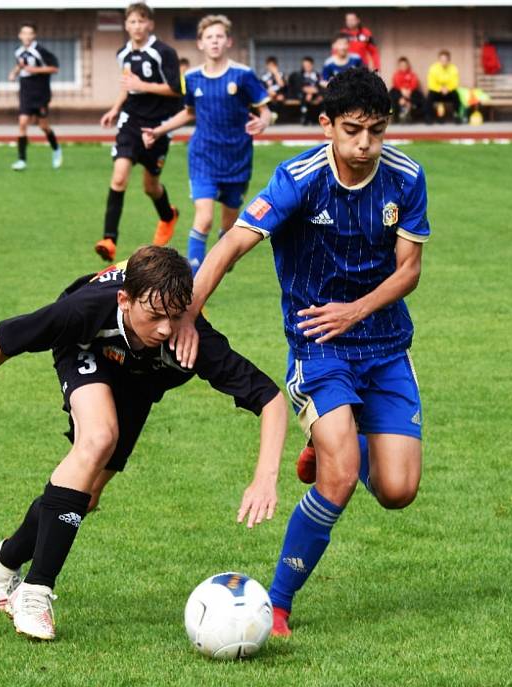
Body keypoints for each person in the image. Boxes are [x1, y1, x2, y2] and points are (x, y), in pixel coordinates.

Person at [0, 246, 288, 641]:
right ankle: (35, 593)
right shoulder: (84, 311)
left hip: (139, 380)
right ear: (125, 299)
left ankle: (4, 561)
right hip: (85, 348)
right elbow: (6, 340)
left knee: (85, 498)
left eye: (175, 316)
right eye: (154, 316)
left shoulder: (189, 338)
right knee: (98, 437)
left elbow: (271, 399)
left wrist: (265, 477)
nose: (164, 329)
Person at [171, 67, 429, 638]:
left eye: (377, 131)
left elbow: (409, 270)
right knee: (338, 480)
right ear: (327, 125)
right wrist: (189, 314)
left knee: (398, 492)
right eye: (353, 130)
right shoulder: (298, 178)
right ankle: (280, 606)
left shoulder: (407, 177)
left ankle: (341, 440)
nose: (366, 145)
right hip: (318, 345)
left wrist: (355, 310)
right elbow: (230, 245)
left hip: (386, 347)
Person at [141, 15, 271, 273]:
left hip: (237, 158)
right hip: (203, 156)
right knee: (204, 218)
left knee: (229, 227)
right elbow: (189, 112)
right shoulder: (191, 78)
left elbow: (265, 110)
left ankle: (224, 254)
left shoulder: (243, 75)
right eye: (209, 37)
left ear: (229, 41)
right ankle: (191, 284)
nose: (214, 41)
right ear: (200, 43)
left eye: (219, 36)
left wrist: (264, 121)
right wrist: (159, 130)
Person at [95, 3, 182, 262]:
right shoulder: (123, 53)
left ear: (150, 24)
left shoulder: (164, 52)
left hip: (159, 126)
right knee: (119, 177)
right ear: (126, 25)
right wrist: (115, 108)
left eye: (141, 21)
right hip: (131, 121)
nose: (137, 27)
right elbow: (127, 85)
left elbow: (176, 89)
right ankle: (109, 240)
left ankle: (168, 216)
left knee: (150, 186)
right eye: (132, 22)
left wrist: (141, 85)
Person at [8, 23, 63, 172]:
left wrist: (35, 70)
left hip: (40, 91)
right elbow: (21, 65)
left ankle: (56, 149)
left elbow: (55, 68)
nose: (26, 36)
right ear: (20, 35)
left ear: (34, 36)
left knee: (43, 126)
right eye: (24, 33)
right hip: (25, 90)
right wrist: (14, 73)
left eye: (30, 33)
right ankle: (21, 160)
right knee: (23, 122)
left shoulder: (40, 51)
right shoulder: (18, 51)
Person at [425, 50, 461, 124]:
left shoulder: (454, 68)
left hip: (449, 92)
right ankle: (429, 117)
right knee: (429, 96)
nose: (443, 62)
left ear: (449, 60)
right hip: (437, 92)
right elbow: (431, 83)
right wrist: (440, 88)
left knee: (456, 95)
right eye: (441, 60)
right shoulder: (433, 68)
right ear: (439, 60)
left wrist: (447, 88)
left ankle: (456, 115)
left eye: (445, 60)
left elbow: (455, 82)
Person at [389, 56, 425, 123]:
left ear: (408, 65)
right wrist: (401, 95)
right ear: (399, 66)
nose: (403, 66)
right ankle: (393, 117)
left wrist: (410, 91)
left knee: (420, 97)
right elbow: (395, 83)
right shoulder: (396, 74)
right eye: (401, 65)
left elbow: (415, 83)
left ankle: (412, 111)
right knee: (391, 93)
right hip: (399, 92)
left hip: (410, 92)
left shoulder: (412, 74)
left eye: (405, 65)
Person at [288, 56, 321, 126]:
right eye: (305, 66)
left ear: (312, 65)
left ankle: (315, 119)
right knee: (305, 97)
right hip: (302, 95)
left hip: (315, 94)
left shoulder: (316, 75)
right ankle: (304, 117)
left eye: (308, 65)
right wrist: (309, 92)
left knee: (320, 98)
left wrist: (312, 92)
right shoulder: (300, 75)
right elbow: (300, 87)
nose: (306, 67)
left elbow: (319, 87)